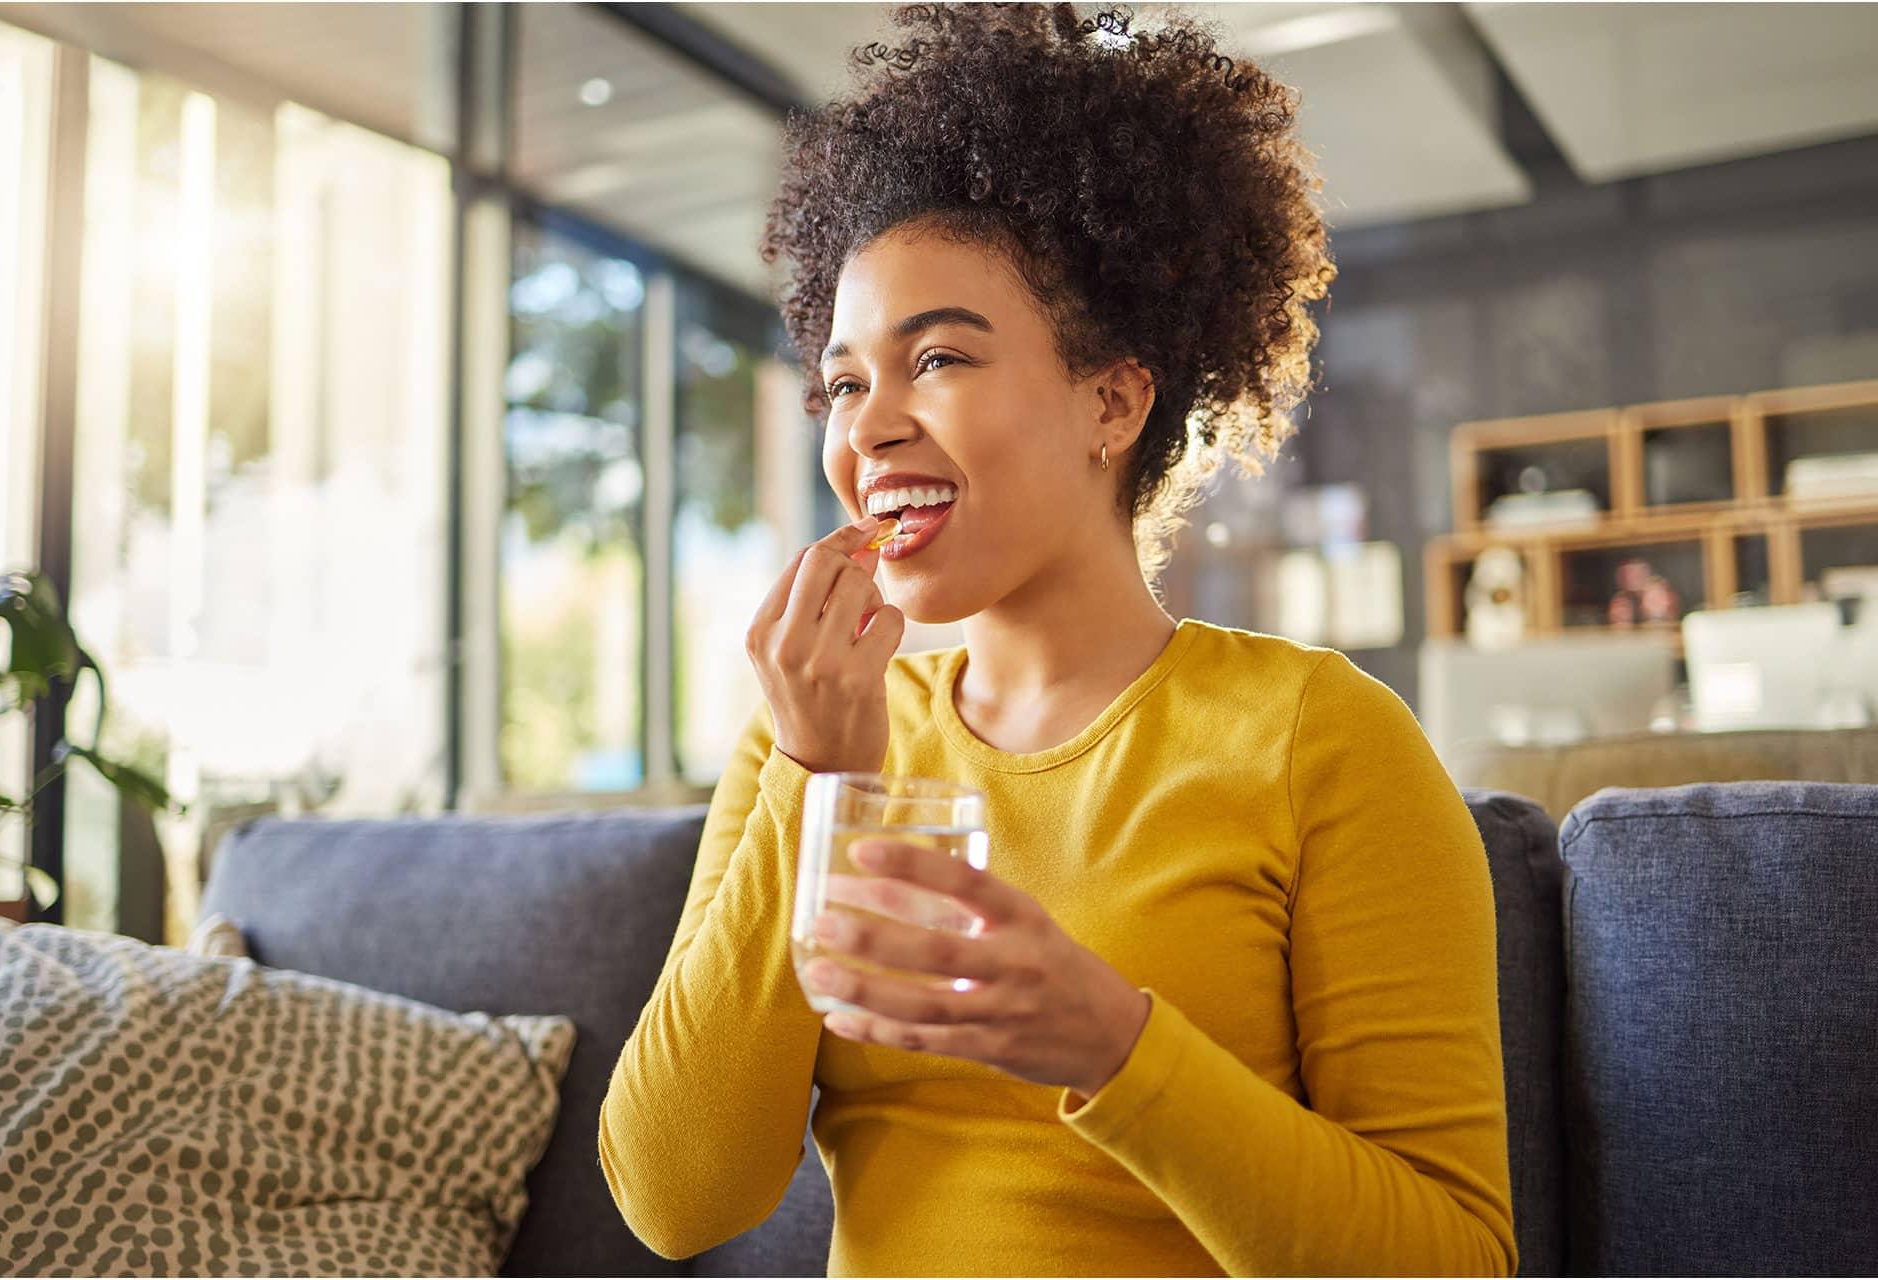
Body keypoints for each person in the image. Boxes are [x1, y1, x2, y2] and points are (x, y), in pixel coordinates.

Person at [599, 5, 1517, 1275]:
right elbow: (675, 1195)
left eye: (940, 358)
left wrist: (1112, 1042)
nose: (867, 429)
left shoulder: (1321, 739)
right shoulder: (809, 740)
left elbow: (1454, 1258)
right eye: (846, 380)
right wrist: (816, 781)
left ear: (1114, 400)